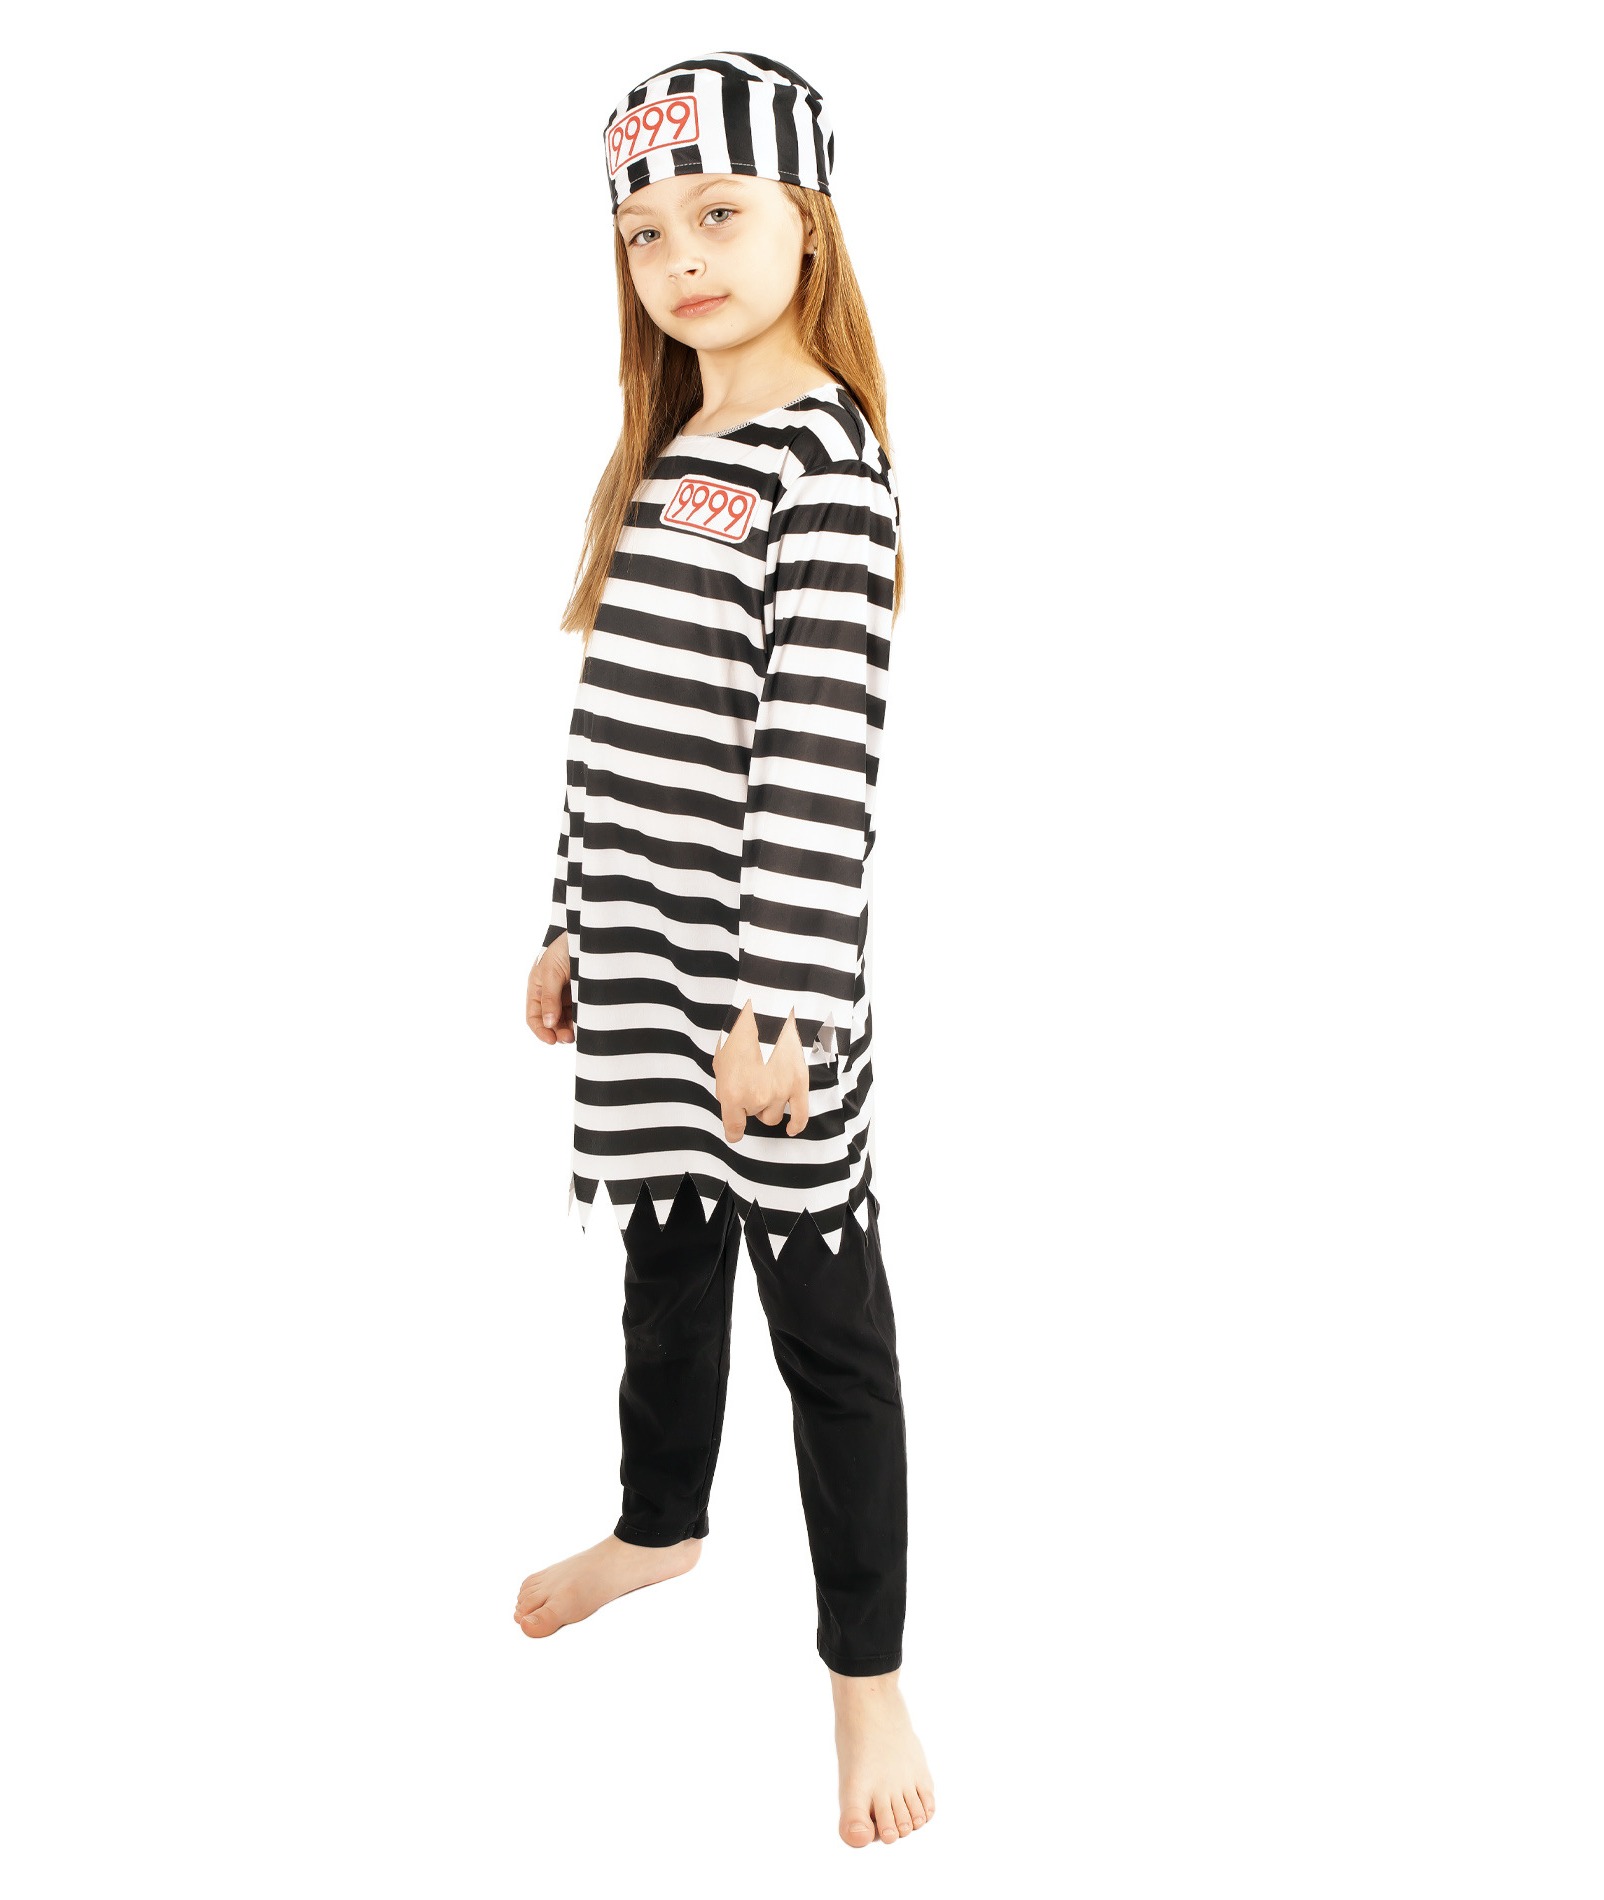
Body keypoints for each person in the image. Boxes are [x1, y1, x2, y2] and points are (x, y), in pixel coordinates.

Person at [516, 53, 933, 1851]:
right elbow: (609, 726)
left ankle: (869, 1678)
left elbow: (819, 753)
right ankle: (660, 1522)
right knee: (667, 1266)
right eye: (644, 229)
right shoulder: (666, 453)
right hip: (645, 962)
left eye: (718, 212)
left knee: (825, 1325)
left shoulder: (823, 468)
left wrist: (778, 999)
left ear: (805, 227)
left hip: (769, 988)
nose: (679, 255)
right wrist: (567, 918)